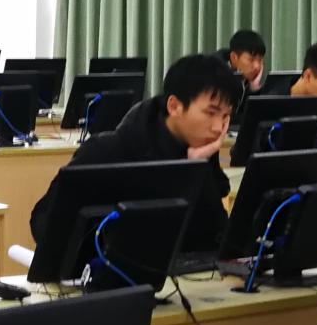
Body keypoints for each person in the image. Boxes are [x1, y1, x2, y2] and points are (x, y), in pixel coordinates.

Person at [31, 53, 241, 255]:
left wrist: (196, 170)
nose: (218, 128)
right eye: (211, 113)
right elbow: (44, 222)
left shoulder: (200, 153)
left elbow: (215, 239)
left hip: (180, 275)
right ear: (174, 106)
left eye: (225, 117)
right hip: (106, 274)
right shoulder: (109, 151)